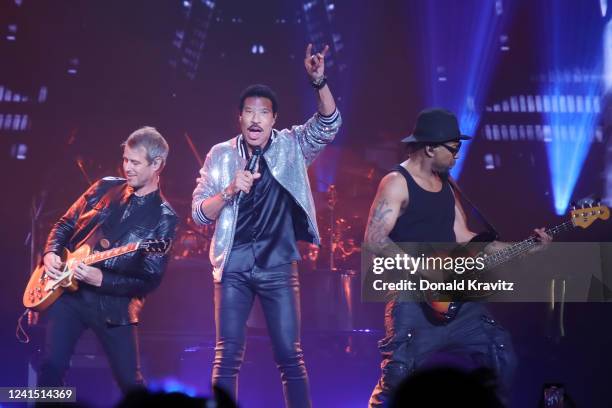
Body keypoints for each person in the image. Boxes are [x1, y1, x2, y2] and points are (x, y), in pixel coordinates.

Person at [365, 108, 551, 407]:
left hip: (458, 301)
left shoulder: (447, 185)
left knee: (500, 354)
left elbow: (464, 237)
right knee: (396, 381)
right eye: (454, 148)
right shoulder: (396, 182)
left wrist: (526, 246)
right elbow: (374, 240)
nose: (458, 155)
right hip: (412, 301)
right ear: (430, 148)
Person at [191, 44, 341, 408]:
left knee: (291, 355)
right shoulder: (221, 155)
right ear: (239, 118)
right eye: (249, 112)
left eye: (264, 113)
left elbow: (329, 124)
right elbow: (198, 214)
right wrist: (229, 190)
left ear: (274, 119)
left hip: (278, 265)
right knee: (226, 357)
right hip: (233, 268)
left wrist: (319, 82)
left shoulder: (291, 146)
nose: (255, 119)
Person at [36, 126, 177, 392]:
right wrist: (51, 252)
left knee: (130, 384)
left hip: (115, 308)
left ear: (157, 164)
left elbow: (150, 279)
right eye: (125, 159)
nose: (127, 167)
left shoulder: (165, 218)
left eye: (135, 162)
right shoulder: (104, 187)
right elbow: (66, 223)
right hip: (69, 294)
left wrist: (103, 279)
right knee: (51, 368)